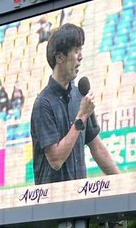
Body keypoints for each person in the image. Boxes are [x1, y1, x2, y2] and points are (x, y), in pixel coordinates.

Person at [30, 23, 119, 184]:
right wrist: (81, 116)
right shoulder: (43, 104)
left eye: (81, 50)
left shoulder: (79, 96)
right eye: (76, 50)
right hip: (52, 198)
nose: (81, 56)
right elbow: (56, 160)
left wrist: (122, 181)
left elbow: (96, 146)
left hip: (79, 195)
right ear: (59, 57)